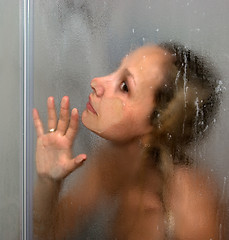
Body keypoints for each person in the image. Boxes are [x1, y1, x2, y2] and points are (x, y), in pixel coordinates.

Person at [33, 42, 223, 240]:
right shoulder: (111, 163)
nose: (96, 82)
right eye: (117, 68)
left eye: (124, 86)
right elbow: (46, 234)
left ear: (158, 125)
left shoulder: (190, 208)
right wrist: (48, 182)